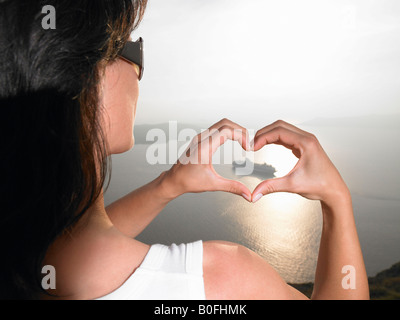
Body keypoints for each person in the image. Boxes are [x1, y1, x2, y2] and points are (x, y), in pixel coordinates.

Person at [0, 0, 369, 300]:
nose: (138, 71)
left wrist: (169, 184)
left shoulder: (27, 256)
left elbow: (81, 247)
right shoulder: (226, 280)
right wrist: (337, 199)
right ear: (84, 76)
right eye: (131, 47)